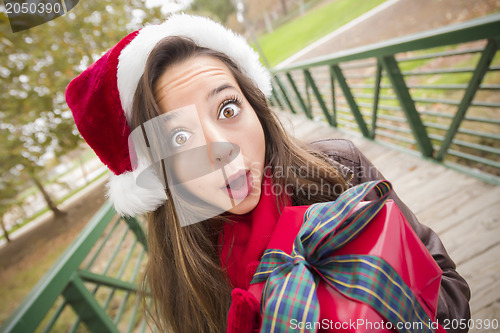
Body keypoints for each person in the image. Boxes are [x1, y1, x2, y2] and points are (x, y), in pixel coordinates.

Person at [66, 14, 470, 333]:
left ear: (253, 105)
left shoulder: (337, 168)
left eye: (227, 109)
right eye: (179, 138)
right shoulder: (183, 277)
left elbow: (449, 285)